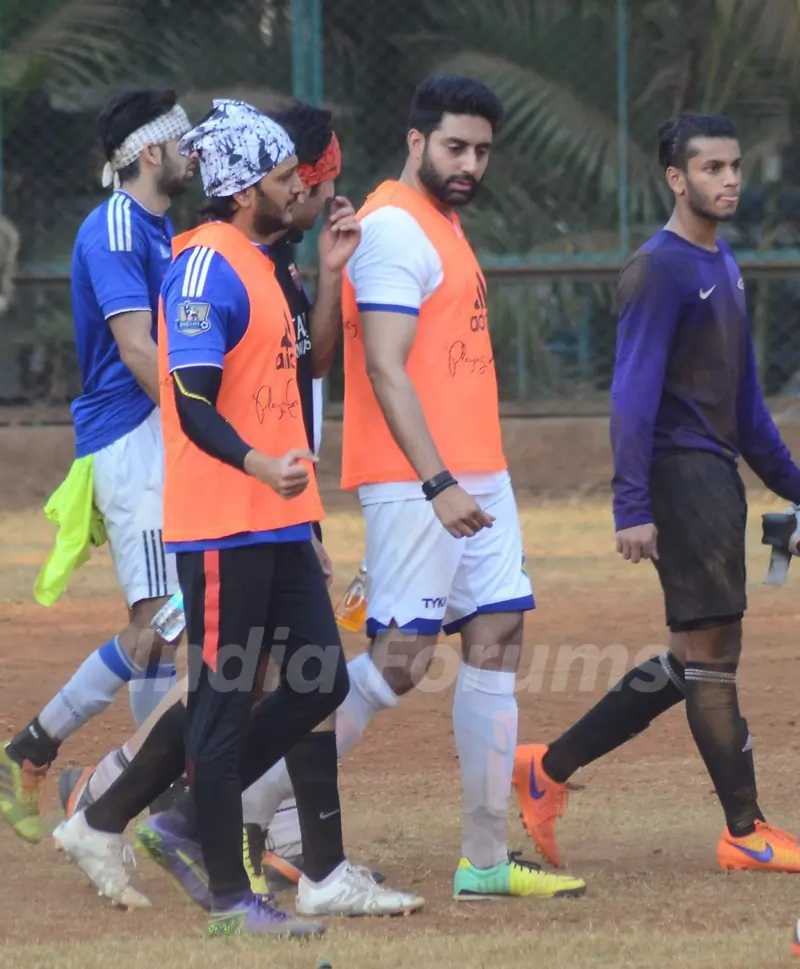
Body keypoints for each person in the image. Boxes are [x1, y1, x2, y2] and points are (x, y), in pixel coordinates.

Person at [53, 99, 422, 933]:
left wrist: (330, 273)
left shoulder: (266, 264)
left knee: (318, 677)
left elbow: (308, 365)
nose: (302, 189)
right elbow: (188, 396)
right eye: (288, 178)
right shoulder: (202, 267)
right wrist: (256, 462)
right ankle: (230, 897)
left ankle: (167, 810)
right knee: (221, 704)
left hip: (280, 523)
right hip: (224, 522)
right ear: (246, 189)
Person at [224, 74, 588, 902]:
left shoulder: (443, 225)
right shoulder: (390, 226)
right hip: (418, 479)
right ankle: (240, 802)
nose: (469, 163)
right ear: (417, 140)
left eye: (483, 151)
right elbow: (382, 368)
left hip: (476, 473)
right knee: (399, 659)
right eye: (455, 147)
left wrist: (470, 475)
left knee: (496, 634)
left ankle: (486, 859)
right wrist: (436, 482)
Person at [513, 114, 800, 874]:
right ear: (677, 178)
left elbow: (746, 411)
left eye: (735, 165)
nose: (728, 179)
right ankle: (745, 829)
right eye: (711, 168)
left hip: (713, 478)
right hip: (682, 481)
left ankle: (548, 769)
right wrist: (631, 505)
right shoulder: (660, 269)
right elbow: (631, 398)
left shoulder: (723, 262)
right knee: (713, 657)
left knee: (689, 657)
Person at [0, 89, 195, 845]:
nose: (193, 153)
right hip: (135, 440)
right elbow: (137, 347)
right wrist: (197, 425)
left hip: (151, 434)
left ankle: (53, 751)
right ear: (151, 152)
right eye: (182, 141)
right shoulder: (117, 224)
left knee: (167, 620)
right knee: (162, 622)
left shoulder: (154, 223)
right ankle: (144, 784)